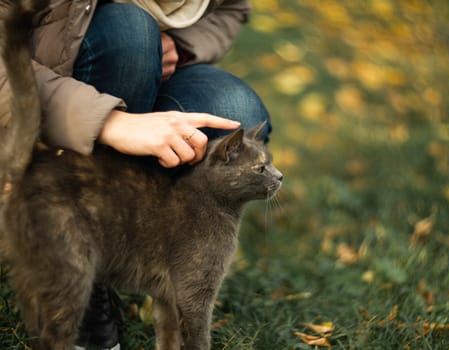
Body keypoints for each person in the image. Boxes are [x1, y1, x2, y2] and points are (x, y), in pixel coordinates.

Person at [0, 0, 272, 349]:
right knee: (129, 31)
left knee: (238, 113)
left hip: (148, 75)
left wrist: (184, 45)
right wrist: (111, 123)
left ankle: (150, 254)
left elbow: (232, 8)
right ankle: (75, 262)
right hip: (33, 104)